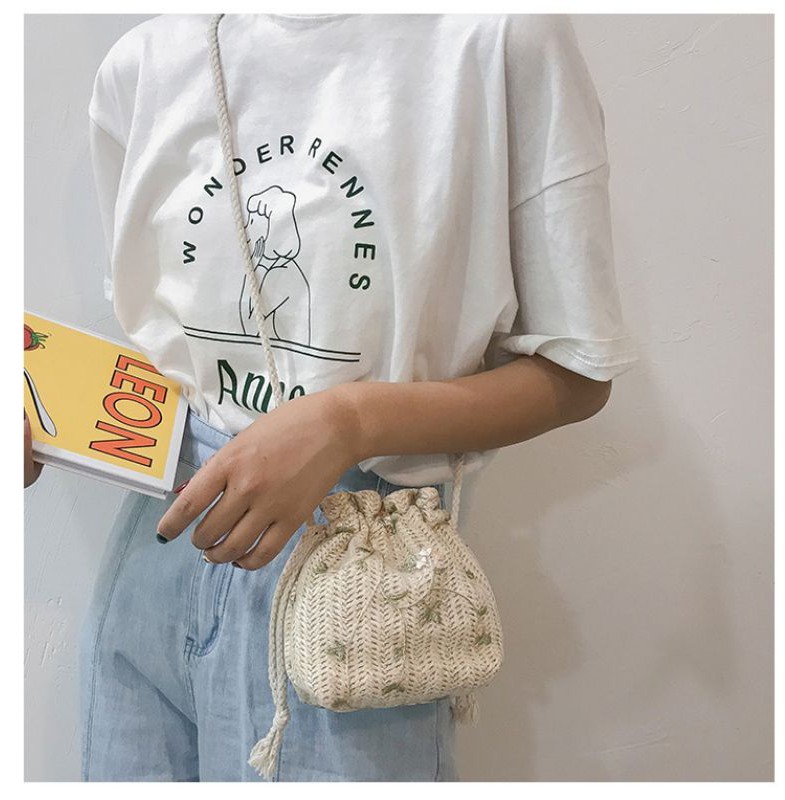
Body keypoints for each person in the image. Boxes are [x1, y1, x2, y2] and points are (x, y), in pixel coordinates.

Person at [25, 13, 640, 781]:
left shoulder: (496, 38)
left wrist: (348, 421)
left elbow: (577, 373)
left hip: (356, 580)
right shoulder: (144, 64)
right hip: (158, 545)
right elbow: (175, 350)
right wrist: (46, 407)